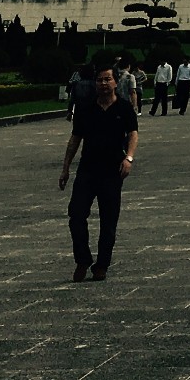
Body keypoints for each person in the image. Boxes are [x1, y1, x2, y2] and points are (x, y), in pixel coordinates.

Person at [59, 63, 137, 282]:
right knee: (76, 214)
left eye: (107, 79)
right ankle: (82, 259)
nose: (103, 83)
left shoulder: (123, 108)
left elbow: (133, 134)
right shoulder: (86, 109)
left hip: (112, 170)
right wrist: (65, 168)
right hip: (87, 169)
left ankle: (102, 264)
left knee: (108, 220)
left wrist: (129, 158)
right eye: (100, 80)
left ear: (115, 82)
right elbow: (75, 139)